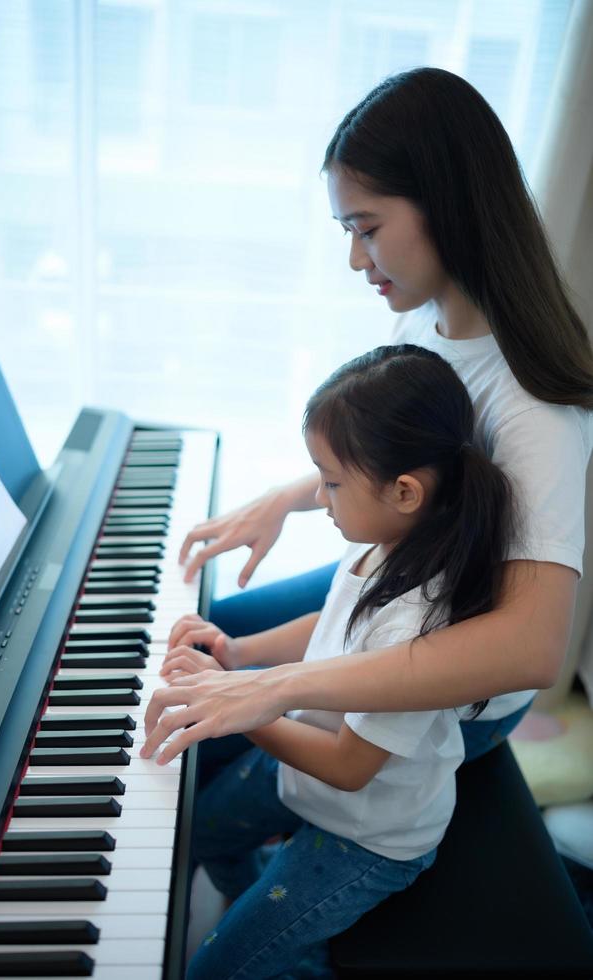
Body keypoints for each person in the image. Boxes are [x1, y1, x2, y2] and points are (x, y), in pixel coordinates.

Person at [142, 66, 593, 767]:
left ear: (447, 204)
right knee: (196, 643)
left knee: (224, 715)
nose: (356, 259)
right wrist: (288, 499)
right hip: (400, 591)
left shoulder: (536, 406)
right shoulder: (428, 320)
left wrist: (277, 688)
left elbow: (531, 649)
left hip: (455, 693)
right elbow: (397, 449)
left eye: (367, 228)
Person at [153, 344, 515, 979]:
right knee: (204, 831)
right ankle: (261, 903)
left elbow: (351, 767)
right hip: (310, 768)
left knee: (223, 967)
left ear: (404, 491)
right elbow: (331, 624)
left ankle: (290, 947)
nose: (318, 497)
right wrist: (240, 654)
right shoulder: (380, 541)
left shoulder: (422, 620)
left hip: (366, 835)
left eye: (331, 480)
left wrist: (241, 702)